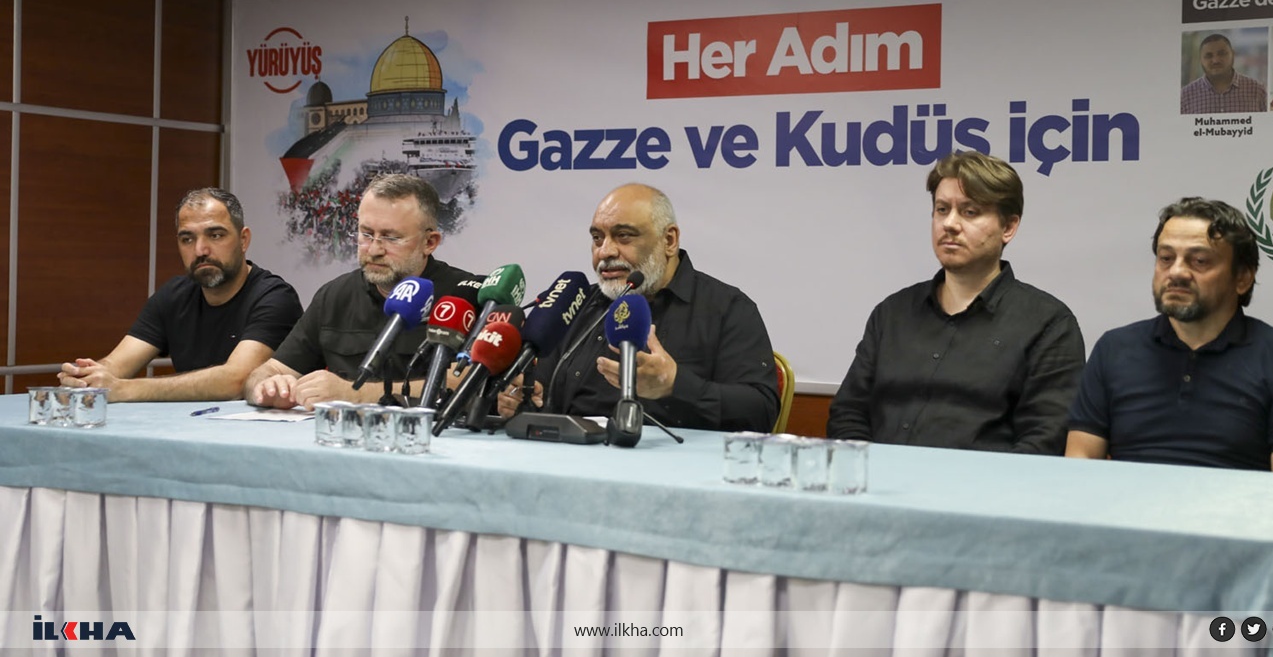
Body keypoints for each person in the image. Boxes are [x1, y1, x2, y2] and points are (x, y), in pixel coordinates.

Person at [827, 152, 1084, 452]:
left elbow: (1044, 440)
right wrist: (869, 471)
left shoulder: (1049, 325)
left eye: (970, 212)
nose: (949, 223)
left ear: (1008, 227)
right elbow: (848, 413)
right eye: (942, 209)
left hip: (983, 482)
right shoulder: (892, 314)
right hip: (876, 478)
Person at [1066, 198, 1273, 472]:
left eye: (1199, 261)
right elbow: (1080, 462)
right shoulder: (1114, 348)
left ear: (1242, 278)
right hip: (1125, 499)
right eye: (1166, 258)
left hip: (1237, 500)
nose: (1176, 272)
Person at [498, 183, 778, 432]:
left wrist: (675, 385)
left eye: (623, 236)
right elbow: (540, 395)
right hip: (569, 459)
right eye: (597, 238)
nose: (605, 252)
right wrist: (522, 399)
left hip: (674, 467)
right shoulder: (576, 303)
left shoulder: (727, 308)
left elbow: (760, 413)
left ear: (669, 240)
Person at [245, 174, 482, 409]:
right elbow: (269, 371)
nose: (374, 250)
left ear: (429, 243)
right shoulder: (334, 296)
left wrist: (354, 394)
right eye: (366, 234)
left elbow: (470, 383)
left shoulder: (466, 296)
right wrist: (267, 387)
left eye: (391, 238)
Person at [58, 188, 302, 402]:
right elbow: (117, 364)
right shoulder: (173, 296)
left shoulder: (275, 297)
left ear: (243, 240)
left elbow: (236, 380)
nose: (200, 250)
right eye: (187, 239)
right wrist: (87, 377)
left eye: (215, 235)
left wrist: (123, 389)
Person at [1179, 33, 1267, 114]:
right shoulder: (1185, 96)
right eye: (1209, 56)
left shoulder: (1257, 90)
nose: (1215, 60)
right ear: (1200, 60)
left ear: (1233, 54)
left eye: (1222, 54)